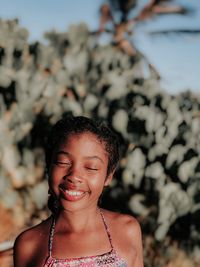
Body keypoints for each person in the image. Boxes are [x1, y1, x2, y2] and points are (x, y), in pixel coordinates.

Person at [13, 115, 143, 266]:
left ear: (108, 176)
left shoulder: (127, 230)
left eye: (91, 167)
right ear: (48, 167)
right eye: (63, 162)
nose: (74, 176)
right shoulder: (29, 245)